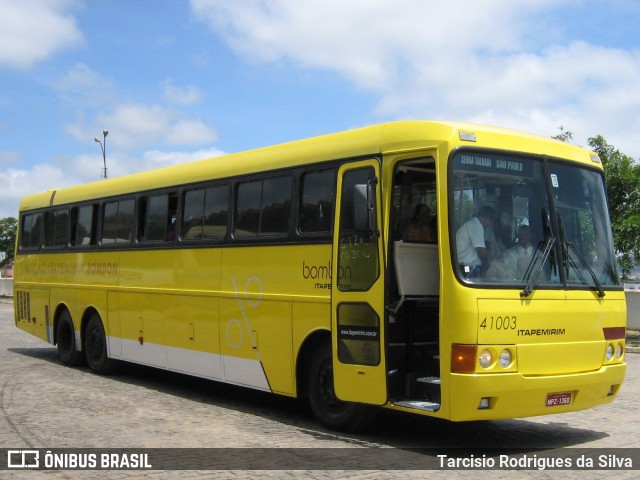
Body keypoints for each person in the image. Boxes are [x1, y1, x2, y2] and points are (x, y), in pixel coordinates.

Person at [455, 206, 495, 275]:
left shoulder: (472, 224)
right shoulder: (476, 226)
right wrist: (492, 261)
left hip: (464, 266)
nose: (489, 225)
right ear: (487, 218)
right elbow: (481, 252)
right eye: (491, 222)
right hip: (467, 268)